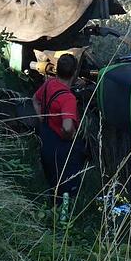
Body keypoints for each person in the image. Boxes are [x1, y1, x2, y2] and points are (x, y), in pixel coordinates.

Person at [32, 54, 85, 199]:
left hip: (46, 137)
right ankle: (64, 210)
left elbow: (35, 100)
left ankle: (52, 205)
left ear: (57, 69)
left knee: (53, 180)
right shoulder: (68, 98)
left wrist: (41, 117)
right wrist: (69, 136)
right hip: (61, 145)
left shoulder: (49, 84)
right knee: (67, 185)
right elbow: (67, 127)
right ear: (74, 72)